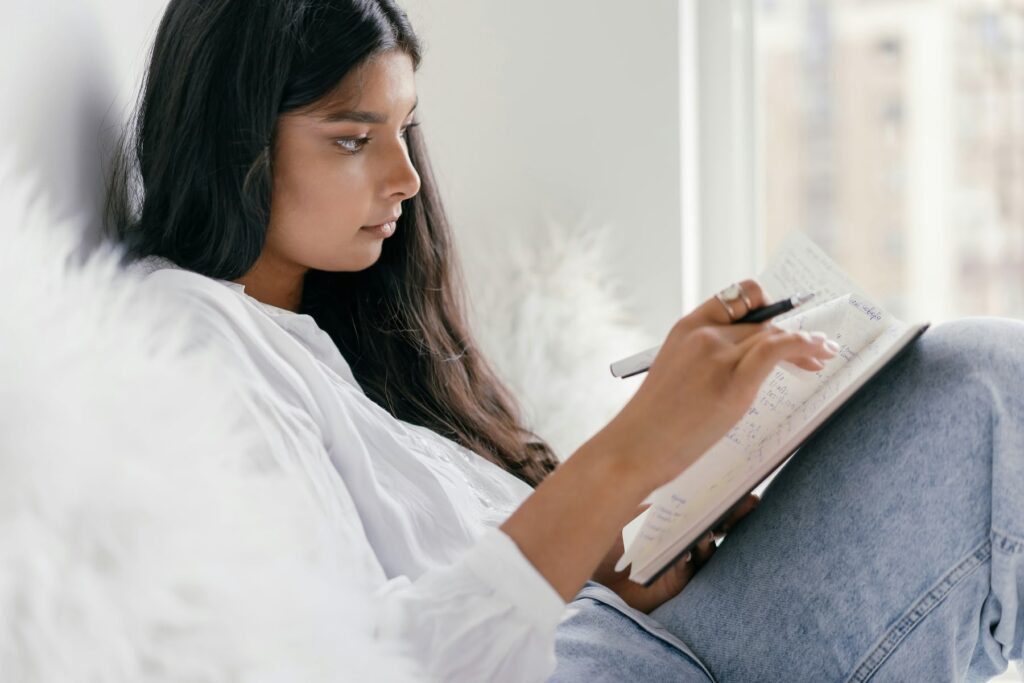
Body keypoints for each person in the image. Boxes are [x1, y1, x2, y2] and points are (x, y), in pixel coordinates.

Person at [108, 0, 1024, 680]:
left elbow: (477, 581)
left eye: (406, 130)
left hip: (629, 639)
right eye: (353, 139)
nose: (406, 178)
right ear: (236, 141)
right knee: (983, 390)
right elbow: (351, 659)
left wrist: (622, 560)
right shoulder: (188, 331)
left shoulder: (347, 352)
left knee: (979, 384)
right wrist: (632, 450)